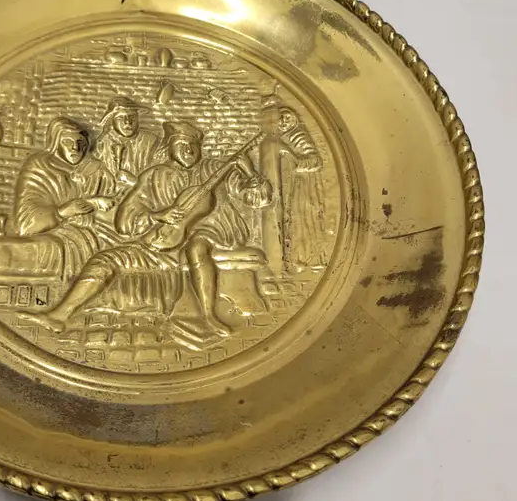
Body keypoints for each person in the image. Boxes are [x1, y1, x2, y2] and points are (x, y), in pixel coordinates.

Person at [16, 121, 271, 337]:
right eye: (181, 145)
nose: (188, 150)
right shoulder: (154, 176)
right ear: (170, 148)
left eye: (193, 145)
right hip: (158, 242)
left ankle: (209, 315)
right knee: (104, 261)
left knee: (197, 247)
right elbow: (125, 221)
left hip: (214, 233)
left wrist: (250, 172)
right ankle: (58, 316)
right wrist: (158, 214)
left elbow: (258, 199)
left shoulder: (215, 169)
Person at [12, 116, 118, 277]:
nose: (75, 148)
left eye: (80, 143)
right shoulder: (40, 167)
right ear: (56, 143)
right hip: (59, 234)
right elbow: (25, 223)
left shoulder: (97, 169)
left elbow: (114, 202)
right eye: (67, 142)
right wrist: (61, 212)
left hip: (100, 232)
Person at [275, 107, 327, 270]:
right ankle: (297, 258)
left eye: (286, 118)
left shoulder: (298, 136)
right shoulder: (280, 138)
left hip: (303, 187)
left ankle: (309, 258)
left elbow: (315, 161)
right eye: (279, 119)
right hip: (291, 186)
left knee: (304, 222)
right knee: (293, 223)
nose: (283, 122)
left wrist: (294, 162)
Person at [93, 95, 163, 186]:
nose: (128, 122)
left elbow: (160, 180)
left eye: (132, 117)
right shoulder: (102, 144)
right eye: (121, 118)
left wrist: (135, 182)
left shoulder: (151, 142)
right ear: (111, 121)